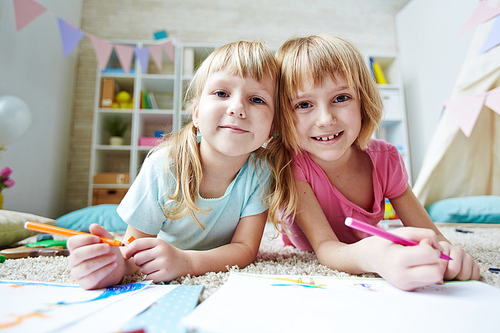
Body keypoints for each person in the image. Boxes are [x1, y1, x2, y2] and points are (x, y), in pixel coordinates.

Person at [68, 40, 281, 290]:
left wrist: (188, 262)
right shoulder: (164, 164)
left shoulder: (261, 172)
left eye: (257, 99)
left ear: (272, 129)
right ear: (197, 114)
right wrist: (116, 265)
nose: (237, 108)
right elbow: (133, 249)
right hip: (165, 247)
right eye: (221, 93)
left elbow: (245, 249)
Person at [273, 34, 480, 291]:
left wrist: (448, 251)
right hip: (308, 249)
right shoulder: (291, 165)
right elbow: (326, 249)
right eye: (304, 104)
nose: (325, 119)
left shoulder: (386, 160)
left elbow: (432, 234)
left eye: (340, 98)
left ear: (363, 100)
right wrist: (375, 255)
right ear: (282, 115)